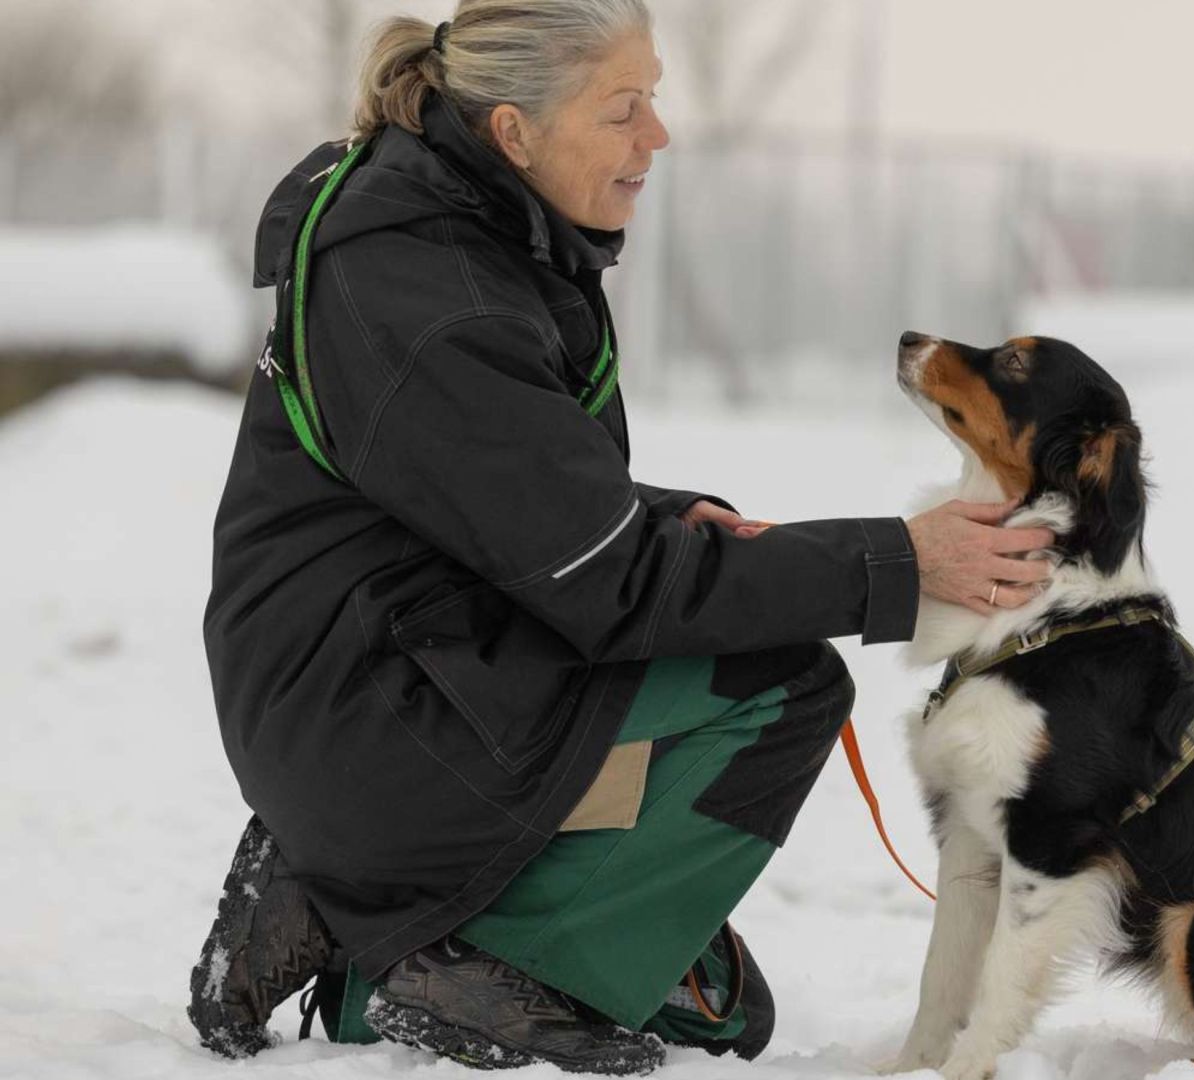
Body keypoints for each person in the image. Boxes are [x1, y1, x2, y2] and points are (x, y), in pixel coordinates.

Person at [186, 1, 1054, 1073]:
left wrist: (647, 510)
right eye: (624, 108)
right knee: (777, 687)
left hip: (378, 668)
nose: (659, 137)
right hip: (370, 705)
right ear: (516, 132)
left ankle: (347, 891)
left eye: (656, 99)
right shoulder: (440, 294)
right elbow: (615, 590)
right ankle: (422, 981)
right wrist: (898, 561)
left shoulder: (457, 226)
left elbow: (495, 493)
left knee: (723, 1012)